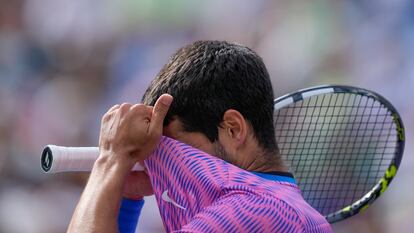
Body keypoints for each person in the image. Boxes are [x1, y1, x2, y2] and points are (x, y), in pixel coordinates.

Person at [68, 41, 332, 232]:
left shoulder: (257, 210)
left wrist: (113, 158)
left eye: (176, 150)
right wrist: (125, 193)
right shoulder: (281, 209)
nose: (163, 166)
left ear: (233, 129)